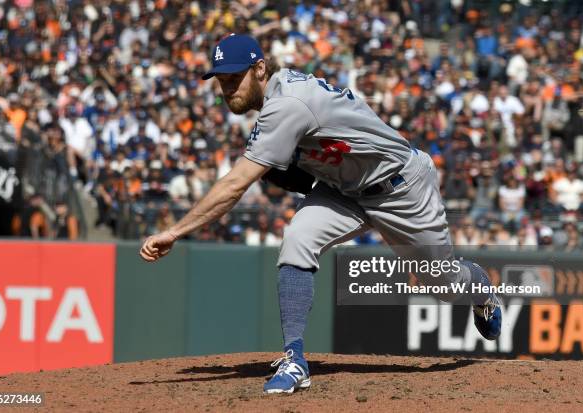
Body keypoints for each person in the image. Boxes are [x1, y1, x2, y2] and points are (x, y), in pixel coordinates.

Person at [139, 34, 502, 394]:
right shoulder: (279, 100)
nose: (228, 86)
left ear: (260, 68)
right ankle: (294, 359)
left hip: (401, 188)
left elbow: (235, 186)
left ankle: (482, 290)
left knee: (442, 284)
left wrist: (175, 231)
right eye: (221, 79)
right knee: (298, 238)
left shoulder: (287, 104)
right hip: (343, 190)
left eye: (236, 77)